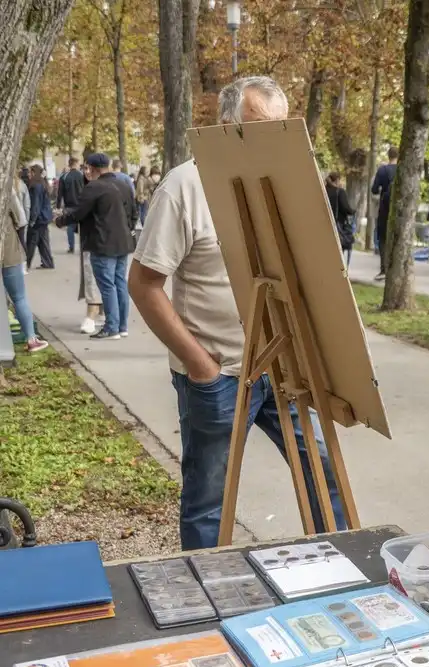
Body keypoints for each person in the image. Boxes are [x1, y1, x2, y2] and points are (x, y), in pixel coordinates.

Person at [128, 76, 349, 551]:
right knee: (210, 497)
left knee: (322, 472)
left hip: (287, 365)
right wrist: (198, 364)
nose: (269, 141)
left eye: (279, 129)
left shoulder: (289, 182)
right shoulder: (184, 187)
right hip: (220, 373)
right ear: (225, 126)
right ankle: (206, 591)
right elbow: (144, 284)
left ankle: (342, 567)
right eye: (257, 128)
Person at [55, 153, 136, 340]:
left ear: (92, 169)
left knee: (107, 285)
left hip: (102, 242)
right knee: (119, 283)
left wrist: (59, 220)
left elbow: (78, 213)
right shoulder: (123, 185)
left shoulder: (94, 188)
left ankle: (112, 327)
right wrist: (126, 230)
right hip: (122, 241)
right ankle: (122, 326)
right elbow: (133, 213)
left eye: (88, 168)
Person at [3, 177, 48, 352]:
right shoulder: (6, 185)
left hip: (9, 249)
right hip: (8, 249)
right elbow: (21, 219)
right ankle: (31, 338)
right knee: (19, 296)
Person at [370, 146, 399, 280]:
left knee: (382, 238)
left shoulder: (383, 170)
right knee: (397, 237)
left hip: (385, 208)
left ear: (388, 155)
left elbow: (374, 190)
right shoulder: (403, 170)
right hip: (400, 210)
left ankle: (384, 269)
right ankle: (396, 269)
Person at [25, 165, 55, 270]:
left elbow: (36, 204)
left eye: (30, 172)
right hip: (44, 216)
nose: (28, 174)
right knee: (43, 241)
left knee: (31, 241)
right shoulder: (42, 183)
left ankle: (26, 263)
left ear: (34, 173)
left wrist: (32, 219)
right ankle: (48, 262)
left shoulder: (35, 186)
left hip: (39, 218)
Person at [325, 171, 356, 266]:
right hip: (338, 225)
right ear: (337, 180)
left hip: (324, 224)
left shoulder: (323, 190)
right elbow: (346, 208)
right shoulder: (340, 192)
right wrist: (353, 211)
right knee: (338, 249)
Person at [56, 157, 85, 254]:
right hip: (81, 205)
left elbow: (60, 193)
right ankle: (83, 246)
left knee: (70, 227)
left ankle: (71, 247)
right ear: (76, 164)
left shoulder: (64, 176)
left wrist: (58, 206)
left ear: (69, 164)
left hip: (69, 205)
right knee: (83, 227)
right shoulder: (82, 176)